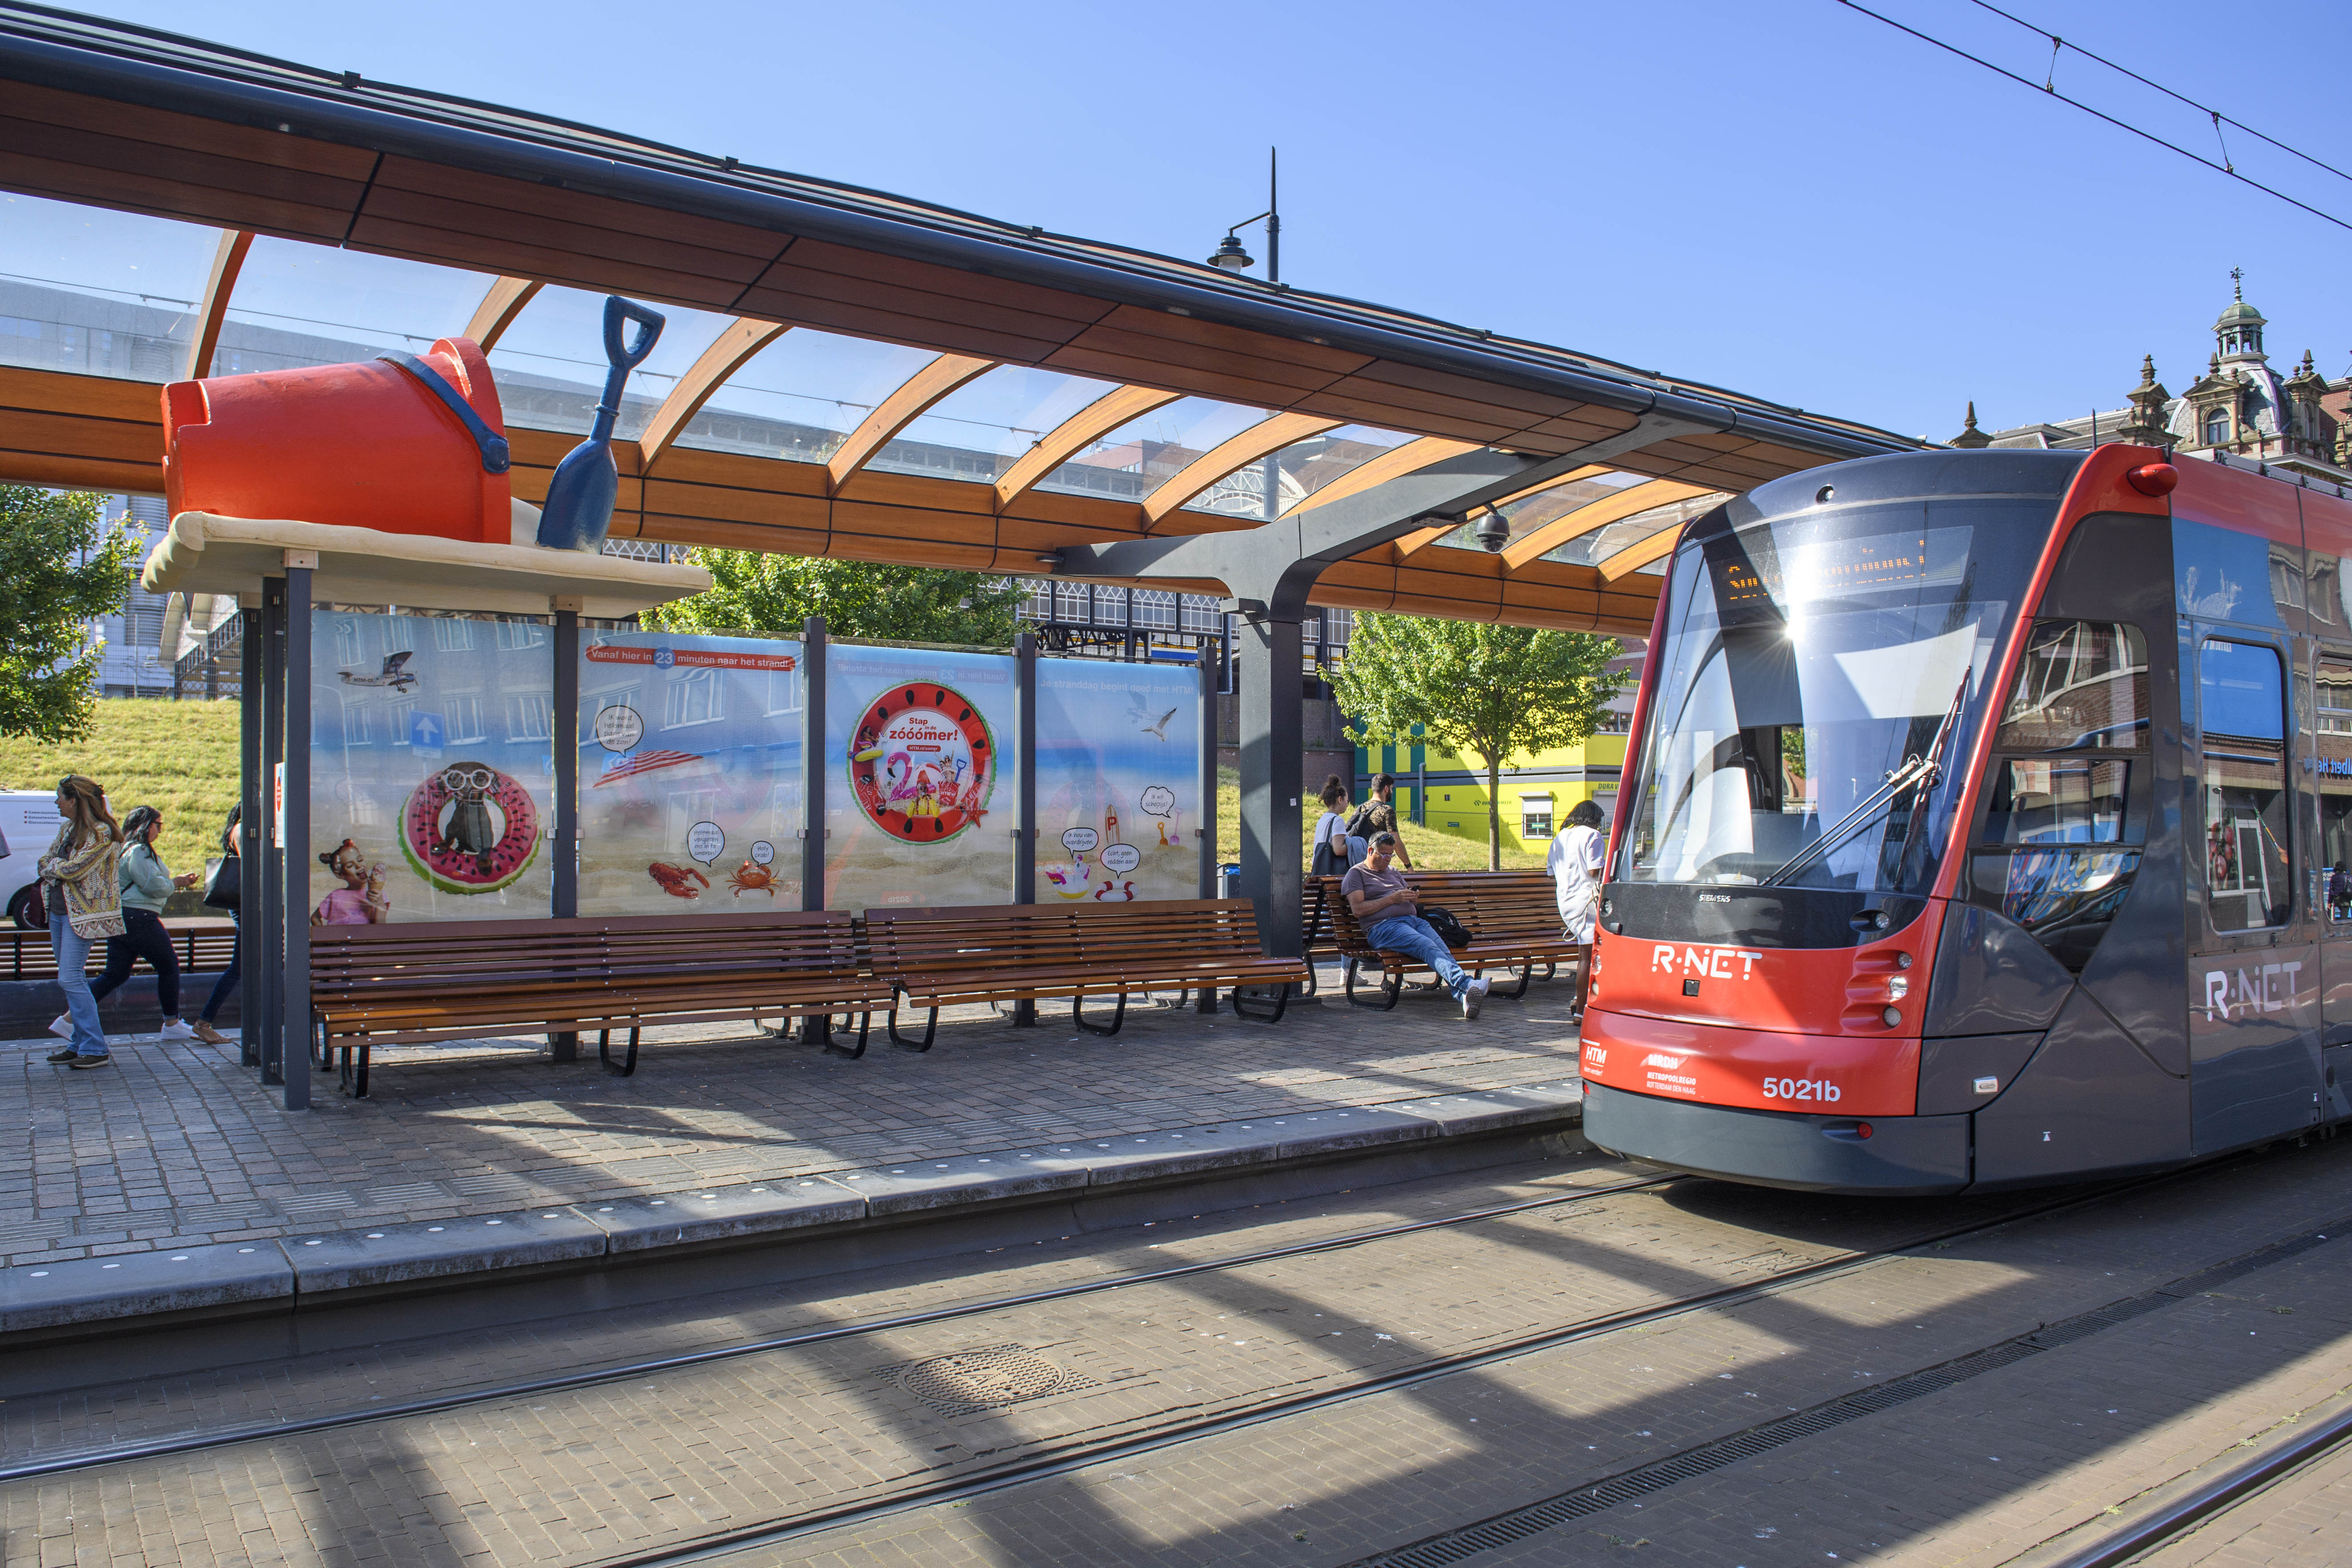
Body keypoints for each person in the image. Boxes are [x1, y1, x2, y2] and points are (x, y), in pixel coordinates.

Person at [69, 806, 201, 1041]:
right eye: (158, 825)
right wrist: (177, 882)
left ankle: (68, 1019)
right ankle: (172, 1024)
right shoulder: (139, 851)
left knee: (116, 974)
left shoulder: (123, 848)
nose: (160, 830)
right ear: (146, 825)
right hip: (138, 917)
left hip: (121, 916)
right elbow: (152, 885)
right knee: (169, 966)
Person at [1342, 831, 1489, 1019]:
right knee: (1426, 946)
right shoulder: (1356, 874)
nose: (1388, 859)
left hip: (1413, 921)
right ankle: (1468, 984)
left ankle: (1464, 997)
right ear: (1371, 851)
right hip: (1383, 927)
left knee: (1442, 948)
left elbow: (1405, 899)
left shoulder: (1393, 872)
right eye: (1384, 855)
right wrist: (1392, 899)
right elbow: (1358, 910)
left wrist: (1411, 898)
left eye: (1391, 855)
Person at [36, 775, 124, 1069]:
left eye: (59, 797)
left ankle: (95, 1048)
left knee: (70, 978)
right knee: (72, 979)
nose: (56, 802)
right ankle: (79, 1044)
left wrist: (55, 868)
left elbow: (73, 870)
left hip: (84, 915)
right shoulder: (68, 829)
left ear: (74, 801)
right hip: (60, 913)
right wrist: (56, 868)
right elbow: (43, 863)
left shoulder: (102, 833)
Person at [1548, 798, 1608, 1021]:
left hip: (1566, 903)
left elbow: (1551, 873)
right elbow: (1595, 873)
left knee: (1587, 955)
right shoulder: (1593, 836)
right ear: (1592, 819)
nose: (1599, 826)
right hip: (1588, 904)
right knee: (1586, 958)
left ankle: (1579, 999)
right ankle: (1582, 1011)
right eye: (1599, 822)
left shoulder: (1559, 839)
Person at [193, 804, 240, 1046]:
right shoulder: (243, 829)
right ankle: (204, 1023)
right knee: (238, 968)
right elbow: (254, 868)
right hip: (248, 907)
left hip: (246, 906)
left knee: (242, 968)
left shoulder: (239, 828)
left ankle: (205, 1022)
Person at [1348, 774, 1415, 869]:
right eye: (1392, 789)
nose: (1392, 792)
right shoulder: (1387, 810)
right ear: (1386, 789)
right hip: (1377, 865)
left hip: (1359, 862)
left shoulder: (1361, 808)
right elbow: (1396, 842)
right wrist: (1409, 866)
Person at [1310, 776, 1353, 878]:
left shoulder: (1323, 819)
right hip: (1333, 875)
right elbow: (1338, 850)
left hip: (1320, 870)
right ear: (1340, 800)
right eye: (1347, 800)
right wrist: (1357, 845)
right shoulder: (1337, 820)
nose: (1348, 804)